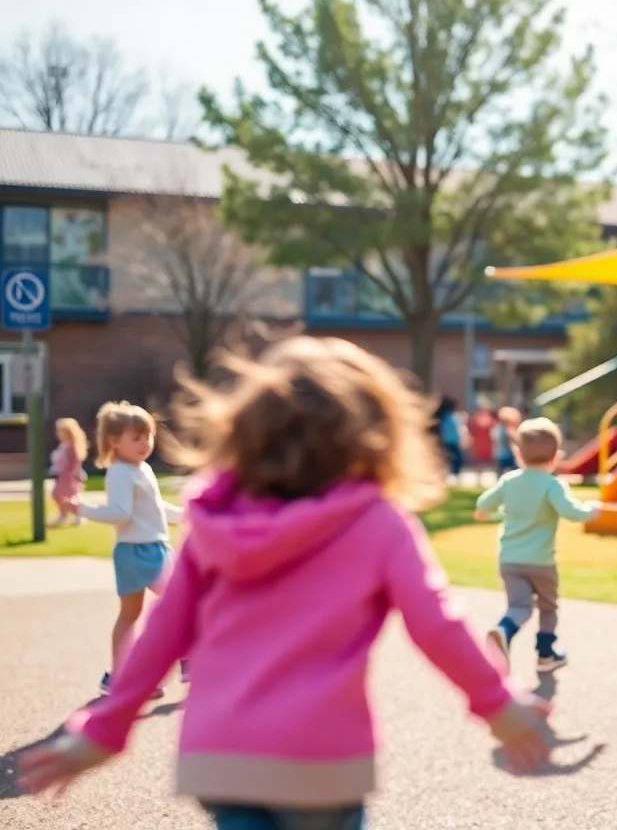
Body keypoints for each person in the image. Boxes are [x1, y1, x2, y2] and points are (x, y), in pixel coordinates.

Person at [19, 337, 552, 829]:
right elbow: (437, 623)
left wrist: (104, 730)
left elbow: (164, 630)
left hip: (221, 754)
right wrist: (496, 703)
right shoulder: (376, 522)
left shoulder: (216, 520)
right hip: (320, 758)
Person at [76, 402, 185, 696]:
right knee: (178, 603)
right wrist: (84, 509)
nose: (145, 443)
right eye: (136, 438)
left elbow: (154, 507)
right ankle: (186, 660)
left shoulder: (142, 468)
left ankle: (122, 677)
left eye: (147, 436)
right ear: (114, 441)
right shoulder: (120, 472)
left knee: (132, 615)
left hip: (151, 547)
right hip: (139, 551)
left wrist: (183, 515)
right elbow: (120, 513)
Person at [476, 417, 601, 672]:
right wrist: (591, 510)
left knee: (519, 606)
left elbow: (483, 505)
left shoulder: (509, 480)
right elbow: (571, 512)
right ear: (556, 456)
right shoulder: (552, 484)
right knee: (548, 606)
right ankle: (545, 654)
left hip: (509, 560)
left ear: (518, 453)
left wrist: (486, 513)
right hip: (541, 562)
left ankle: (504, 629)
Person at [49, 417, 87, 527]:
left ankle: (77, 514)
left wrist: (74, 474)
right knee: (59, 495)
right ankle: (64, 514)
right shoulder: (63, 446)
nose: (58, 434)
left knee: (66, 496)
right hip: (62, 475)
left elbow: (74, 462)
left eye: (61, 431)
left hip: (69, 476)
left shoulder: (71, 447)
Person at [435, 396, 465, 477]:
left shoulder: (448, 416)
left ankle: (452, 473)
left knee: (453, 458)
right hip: (448, 441)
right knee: (456, 458)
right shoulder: (445, 417)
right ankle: (453, 473)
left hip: (451, 440)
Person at [493, 406, 522, 477]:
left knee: (500, 474)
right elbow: (514, 443)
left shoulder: (497, 428)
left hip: (500, 455)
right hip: (509, 456)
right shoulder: (509, 430)